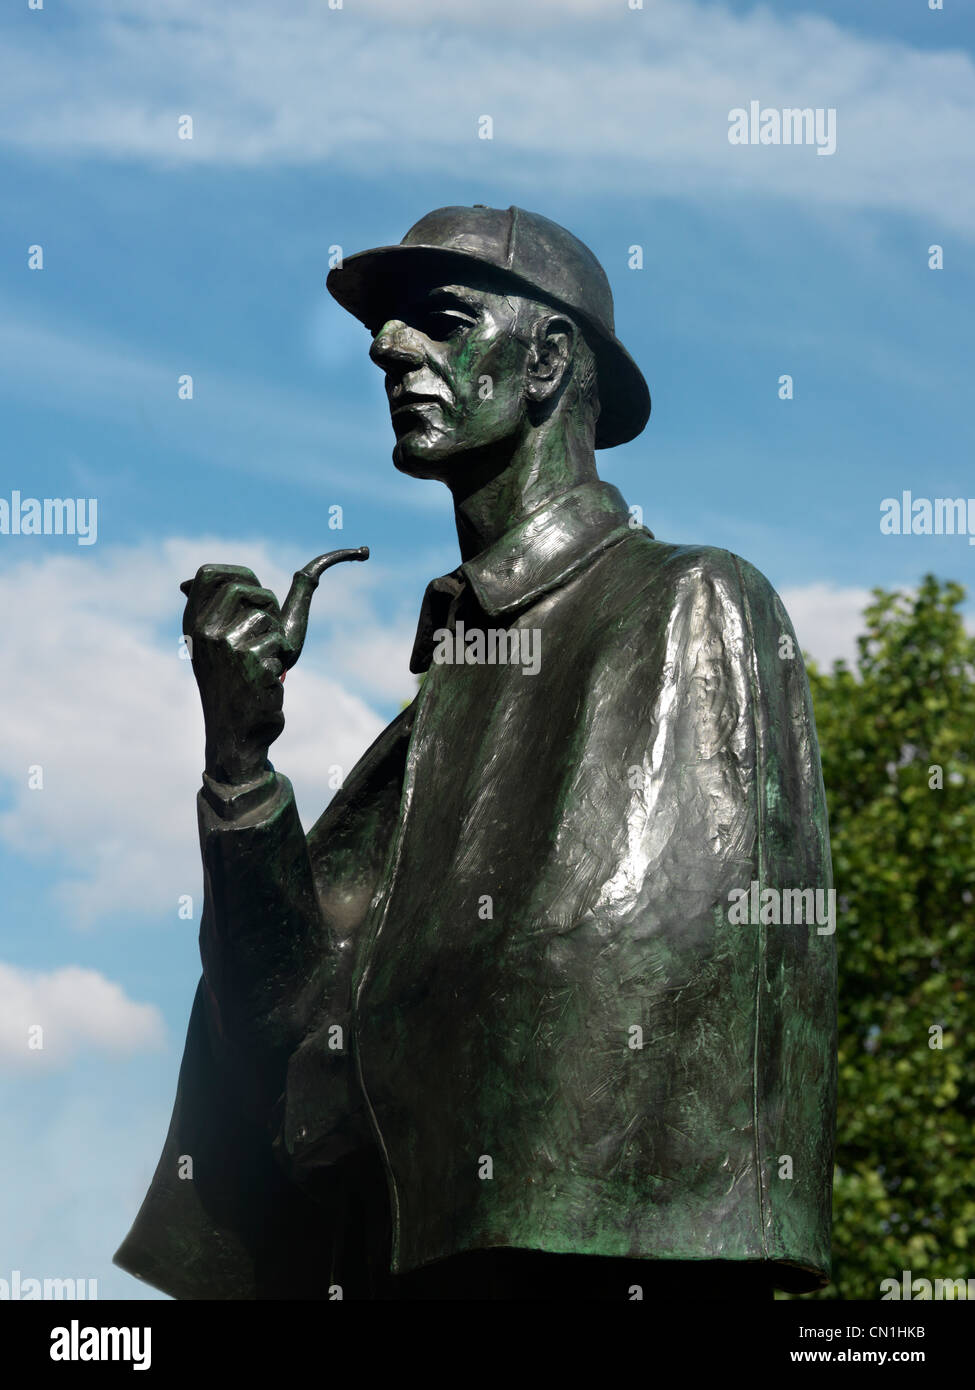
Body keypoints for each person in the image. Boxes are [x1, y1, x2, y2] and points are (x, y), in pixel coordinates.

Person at [115, 205, 836, 1300]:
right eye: (390, 330)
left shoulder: (689, 604)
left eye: (442, 321)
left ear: (548, 361)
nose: (388, 347)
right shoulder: (440, 704)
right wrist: (241, 762)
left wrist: (349, 1052)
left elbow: (611, 964)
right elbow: (276, 1028)